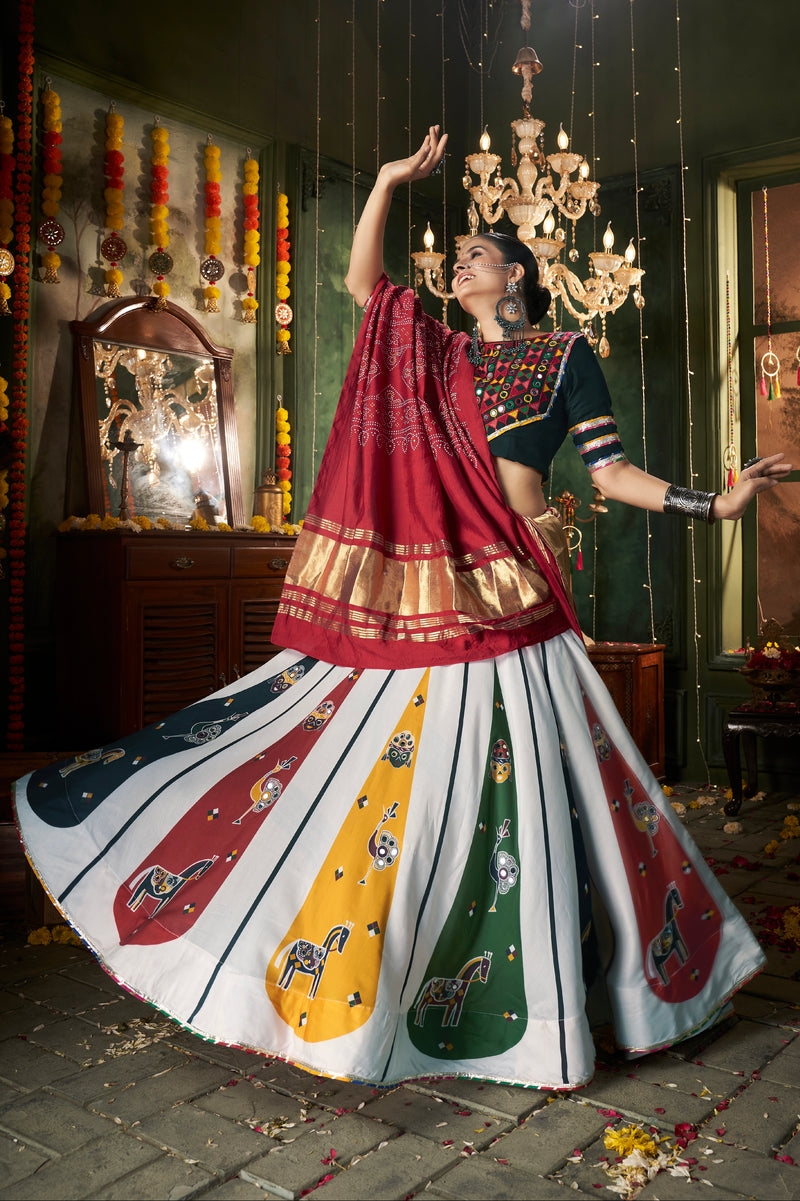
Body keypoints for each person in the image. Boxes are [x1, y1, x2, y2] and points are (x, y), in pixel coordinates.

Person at [14, 127, 791, 1092]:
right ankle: (393, 965)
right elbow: (362, 285)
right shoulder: (434, 354)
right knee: (416, 778)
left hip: (518, 586)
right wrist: (384, 179)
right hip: (437, 586)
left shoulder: (563, 353)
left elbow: (612, 469)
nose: (461, 260)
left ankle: (569, 991)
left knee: (550, 790)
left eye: (478, 254)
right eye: (459, 254)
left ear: (516, 275)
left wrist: (712, 502)